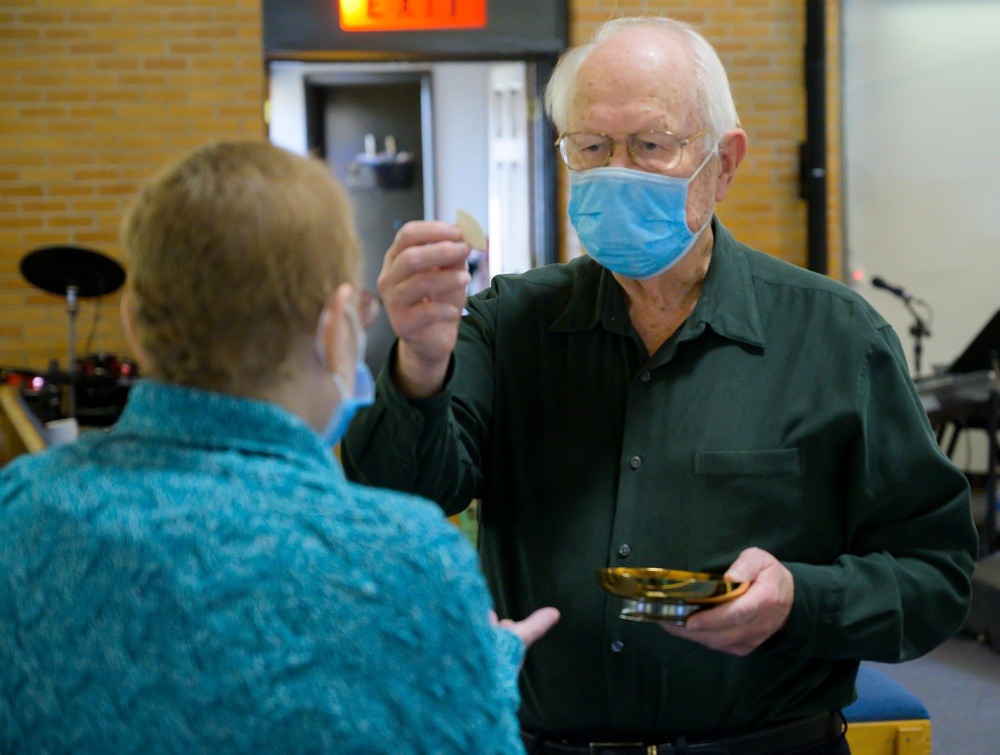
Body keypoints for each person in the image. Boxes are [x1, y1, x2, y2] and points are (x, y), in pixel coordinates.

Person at [341, 15, 979, 755]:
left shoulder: (836, 340)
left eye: (649, 145)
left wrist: (800, 602)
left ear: (724, 163)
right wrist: (418, 363)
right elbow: (398, 498)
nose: (617, 171)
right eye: (591, 147)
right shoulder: (506, 326)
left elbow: (934, 578)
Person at [0, 140, 558, 753]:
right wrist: (480, 670)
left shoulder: (19, 508)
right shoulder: (404, 557)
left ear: (132, 319)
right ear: (337, 324)